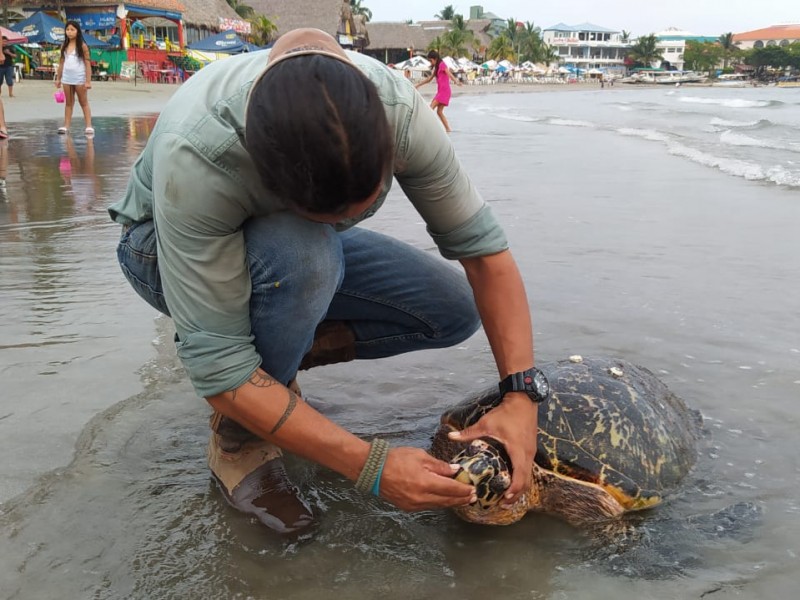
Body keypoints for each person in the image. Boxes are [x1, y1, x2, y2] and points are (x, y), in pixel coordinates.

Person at [110, 28, 542, 536]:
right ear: (265, 176)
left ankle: (272, 376)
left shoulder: (401, 113)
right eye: (322, 211)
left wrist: (521, 396)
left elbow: (485, 255)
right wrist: (371, 465)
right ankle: (240, 435)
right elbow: (220, 368)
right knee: (304, 254)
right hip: (158, 249)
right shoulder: (203, 154)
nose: (342, 217)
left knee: (452, 307)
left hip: (302, 251)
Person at [55, 21, 94, 136]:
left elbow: (87, 64)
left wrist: (88, 81)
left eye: (72, 30)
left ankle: (88, 126)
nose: (70, 32)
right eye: (68, 30)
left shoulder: (82, 46)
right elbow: (61, 63)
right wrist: (58, 79)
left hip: (79, 78)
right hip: (67, 78)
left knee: (83, 102)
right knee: (68, 103)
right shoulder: (64, 46)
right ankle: (66, 126)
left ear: (77, 31)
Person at [414, 50, 462, 133]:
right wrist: (418, 85)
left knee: (430, 108)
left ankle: (426, 128)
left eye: (431, 60)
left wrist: (456, 81)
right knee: (439, 112)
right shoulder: (437, 67)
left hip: (444, 91)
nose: (430, 62)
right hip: (441, 92)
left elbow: (449, 73)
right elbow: (429, 79)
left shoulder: (442, 64)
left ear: (435, 59)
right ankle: (448, 129)